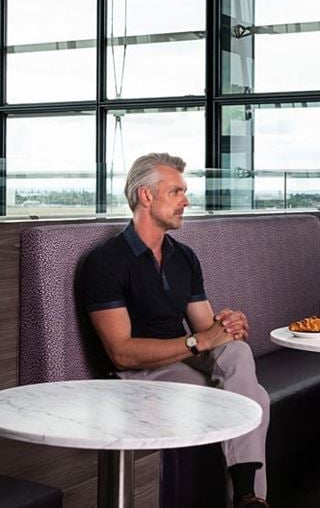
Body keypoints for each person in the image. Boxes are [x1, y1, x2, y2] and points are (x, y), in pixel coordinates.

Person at [83, 153, 270, 508]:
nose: (186, 200)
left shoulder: (184, 256)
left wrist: (226, 326)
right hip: (138, 373)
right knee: (254, 400)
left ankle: (247, 497)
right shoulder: (105, 262)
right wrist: (200, 340)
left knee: (238, 351)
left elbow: (205, 328)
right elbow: (122, 352)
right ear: (146, 196)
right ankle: (250, 495)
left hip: (184, 357)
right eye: (176, 192)